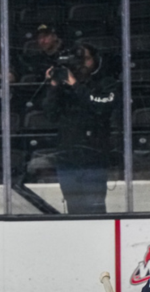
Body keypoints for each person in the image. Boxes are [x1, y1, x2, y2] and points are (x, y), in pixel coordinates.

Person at [42, 41, 117, 214]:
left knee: (95, 208)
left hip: (94, 159)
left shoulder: (106, 84)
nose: (81, 63)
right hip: (67, 159)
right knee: (74, 210)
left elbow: (101, 106)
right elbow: (49, 115)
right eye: (77, 59)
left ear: (96, 60)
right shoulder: (63, 88)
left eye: (85, 59)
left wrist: (75, 85)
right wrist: (53, 86)